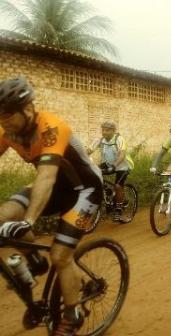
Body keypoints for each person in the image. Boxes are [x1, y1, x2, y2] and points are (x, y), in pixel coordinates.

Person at [0, 76, 103, 335]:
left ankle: (72, 314)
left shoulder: (51, 128)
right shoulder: (8, 132)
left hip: (84, 191)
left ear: (27, 109)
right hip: (55, 188)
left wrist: (29, 221)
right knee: (3, 216)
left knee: (60, 255)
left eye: (7, 114)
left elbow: (45, 177)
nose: (3, 121)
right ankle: (34, 259)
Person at [87, 121, 134, 222]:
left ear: (113, 130)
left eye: (107, 130)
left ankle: (119, 209)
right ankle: (107, 193)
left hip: (123, 165)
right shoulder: (100, 140)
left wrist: (114, 166)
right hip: (108, 163)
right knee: (94, 175)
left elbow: (122, 154)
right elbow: (88, 151)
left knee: (118, 186)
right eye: (103, 130)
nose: (104, 132)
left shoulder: (119, 139)